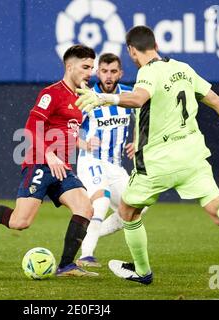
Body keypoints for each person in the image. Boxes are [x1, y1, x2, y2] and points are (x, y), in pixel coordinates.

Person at [75, 26, 219, 284]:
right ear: (155, 43)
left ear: (132, 51)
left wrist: (104, 98)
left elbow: (138, 98)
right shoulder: (184, 69)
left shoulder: (147, 73)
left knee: (128, 211)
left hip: (157, 161)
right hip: (192, 156)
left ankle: (142, 272)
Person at [0, 44, 99, 277]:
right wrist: (49, 155)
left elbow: (66, 131)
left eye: (92, 68)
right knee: (20, 222)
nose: (90, 73)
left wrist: (80, 144)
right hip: (40, 162)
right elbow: (30, 127)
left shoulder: (79, 98)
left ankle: (66, 265)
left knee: (85, 207)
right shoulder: (52, 93)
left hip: (62, 167)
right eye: (85, 67)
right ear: (69, 66)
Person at [76, 53, 147, 268]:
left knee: (138, 206)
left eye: (113, 71)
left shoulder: (128, 94)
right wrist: (83, 144)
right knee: (102, 200)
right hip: (90, 161)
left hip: (115, 166)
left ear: (120, 73)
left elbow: (144, 118)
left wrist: (138, 141)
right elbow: (69, 129)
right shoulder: (87, 95)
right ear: (98, 72)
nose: (108, 76)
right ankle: (86, 255)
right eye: (104, 71)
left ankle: (89, 234)